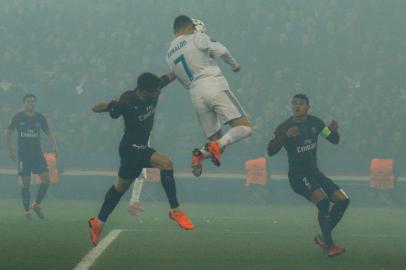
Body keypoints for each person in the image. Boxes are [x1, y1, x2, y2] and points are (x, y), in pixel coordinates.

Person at [88, 72, 194, 246]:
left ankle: (98, 222)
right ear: (143, 90)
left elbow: (171, 74)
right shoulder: (128, 101)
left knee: (120, 187)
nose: (156, 94)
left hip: (140, 147)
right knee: (166, 163)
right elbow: (97, 108)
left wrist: (183, 65)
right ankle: (175, 211)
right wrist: (109, 105)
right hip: (130, 147)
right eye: (153, 92)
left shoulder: (155, 87)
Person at [165, 15, 252, 177]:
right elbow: (222, 50)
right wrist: (235, 66)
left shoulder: (169, 54)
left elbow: (180, 79)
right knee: (245, 127)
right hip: (212, 84)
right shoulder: (197, 37)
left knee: (217, 140)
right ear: (187, 27)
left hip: (194, 94)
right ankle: (213, 148)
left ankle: (201, 155)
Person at [267, 94, 349, 257]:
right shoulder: (285, 127)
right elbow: (271, 150)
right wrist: (286, 136)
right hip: (298, 176)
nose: (297, 107)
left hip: (315, 173)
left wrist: (333, 131)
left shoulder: (316, 123)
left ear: (308, 107)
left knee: (343, 200)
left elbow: (333, 139)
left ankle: (322, 237)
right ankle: (329, 245)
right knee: (324, 202)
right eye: (294, 104)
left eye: (300, 104)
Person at [5, 94, 58, 219]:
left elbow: (48, 132)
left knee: (46, 179)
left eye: (33, 101)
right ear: (24, 103)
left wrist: (55, 146)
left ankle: (37, 204)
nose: (31, 103)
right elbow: (7, 133)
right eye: (28, 101)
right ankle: (27, 211)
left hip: (37, 154)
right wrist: (10, 150)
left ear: (35, 103)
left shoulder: (40, 117)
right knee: (26, 183)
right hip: (23, 155)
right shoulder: (18, 117)